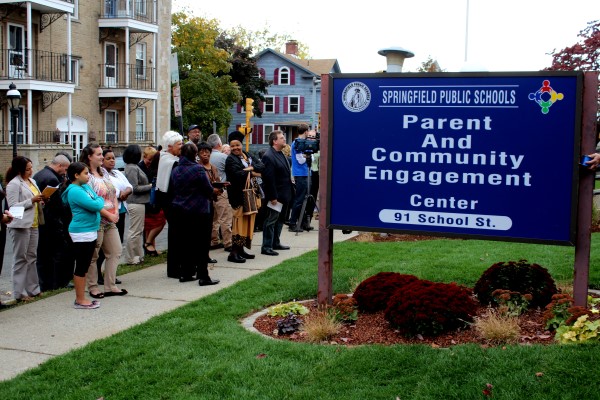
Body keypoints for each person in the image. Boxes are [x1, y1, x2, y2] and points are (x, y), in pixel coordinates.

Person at [80, 144, 126, 298]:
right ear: (89, 157)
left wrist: (115, 211)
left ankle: (110, 285)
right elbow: (90, 200)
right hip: (96, 219)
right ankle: (92, 287)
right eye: (99, 154)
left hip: (110, 219)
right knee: (93, 255)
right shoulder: (87, 177)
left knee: (115, 251)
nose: (102, 157)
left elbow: (113, 191)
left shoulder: (104, 172)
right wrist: (107, 213)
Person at [171, 142, 220, 285]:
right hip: (199, 211)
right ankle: (203, 275)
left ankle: (186, 273)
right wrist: (215, 190)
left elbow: (173, 188)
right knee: (202, 244)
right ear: (195, 154)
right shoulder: (198, 169)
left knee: (186, 243)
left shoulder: (176, 170)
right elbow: (207, 189)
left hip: (180, 211)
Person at [61, 162, 104, 309]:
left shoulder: (85, 187)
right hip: (81, 232)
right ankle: (80, 299)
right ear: (76, 175)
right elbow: (96, 204)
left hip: (90, 229)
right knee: (81, 265)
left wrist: (98, 200)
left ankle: (82, 297)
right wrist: (99, 201)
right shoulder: (74, 190)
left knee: (85, 265)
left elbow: (96, 197)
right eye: (85, 173)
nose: (88, 176)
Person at [5, 156, 45, 302]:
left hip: (33, 223)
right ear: (19, 170)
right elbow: (13, 206)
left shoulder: (32, 181)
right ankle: (19, 293)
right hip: (20, 225)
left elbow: (36, 200)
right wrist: (31, 201)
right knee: (20, 259)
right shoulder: (14, 184)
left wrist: (42, 200)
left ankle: (33, 289)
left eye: (31, 168)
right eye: (27, 169)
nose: (30, 171)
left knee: (32, 257)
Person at [224, 130, 264, 263]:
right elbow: (237, 175)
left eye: (237, 145)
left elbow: (262, 166)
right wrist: (253, 172)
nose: (235, 148)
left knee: (247, 223)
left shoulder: (247, 155)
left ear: (241, 145)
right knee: (238, 224)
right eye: (232, 146)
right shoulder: (230, 159)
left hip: (250, 195)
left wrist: (250, 169)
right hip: (238, 197)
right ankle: (233, 253)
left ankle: (241, 250)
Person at [33, 154, 71, 291]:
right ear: (59, 166)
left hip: (42, 221)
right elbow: (57, 205)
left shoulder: (39, 174)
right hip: (51, 222)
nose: (65, 172)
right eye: (65, 169)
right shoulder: (52, 179)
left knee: (43, 255)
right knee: (55, 254)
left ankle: (45, 284)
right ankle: (55, 283)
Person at [96, 148, 131, 283]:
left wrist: (126, 191)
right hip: (107, 213)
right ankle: (98, 273)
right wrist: (119, 193)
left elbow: (129, 186)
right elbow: (109, 191)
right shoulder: (102, 175)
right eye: (108, 158)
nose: (112, 161)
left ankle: (111, 275)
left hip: (120, 211)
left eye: (113, 158)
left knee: (117, 244)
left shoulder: (117, 173)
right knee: (104, 247)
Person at [260, 130, 293, 256]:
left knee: (280, 220)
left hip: (284, 194)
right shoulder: (268, 156)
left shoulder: (281, 154)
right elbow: (269, 179)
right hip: (276, 196)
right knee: (271, 220)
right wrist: (273, 197)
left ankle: (276, 243)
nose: (284, 139)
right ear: (274, 141)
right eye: (281, 138)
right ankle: (266, 246)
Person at [156, 130, 183, 278]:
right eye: (179, 144)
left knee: (175, 235)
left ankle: (175, 266)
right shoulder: (170, 161)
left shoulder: (166, 158)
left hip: (170, 201)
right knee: (175, 236)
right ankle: (174, 268)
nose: (182, 146)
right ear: (170, 146)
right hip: (172, 202)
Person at [124, 144, 152, 265]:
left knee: (138, 230)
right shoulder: (132, 168)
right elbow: (134, 188)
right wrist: (150, 186)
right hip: (135, 202)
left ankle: (138, 255)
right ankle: (131, 257)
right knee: (135, 231)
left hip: (139, 202)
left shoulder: (134, 167)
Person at [207, 133, 233, 252]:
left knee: (213, 218)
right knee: (225, 218)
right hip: (221, 190)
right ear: (219, 144)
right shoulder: (224, 158)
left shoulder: (205, 157)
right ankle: (228, 242)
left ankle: (214, 240)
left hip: (209, 191)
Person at [288, 123, 313, 232]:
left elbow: (308, 157)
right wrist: (307, 155)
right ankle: (292, 223)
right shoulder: (296, 143)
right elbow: (301, 160)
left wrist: (306, 155)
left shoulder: (304, 143)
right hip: (300, 174)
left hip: (306, 173)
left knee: (305, 200)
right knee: (299, 199)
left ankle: (303, 223)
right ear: (306, 131)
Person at [142, 148, 166, 255]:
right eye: (149, 159)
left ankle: (151, 247)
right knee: (157, 222)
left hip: (153, 200)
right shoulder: (146, 169)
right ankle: (148, 243)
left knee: (152, 224)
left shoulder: (153, 169)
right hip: (151, 200)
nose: (150, 162)